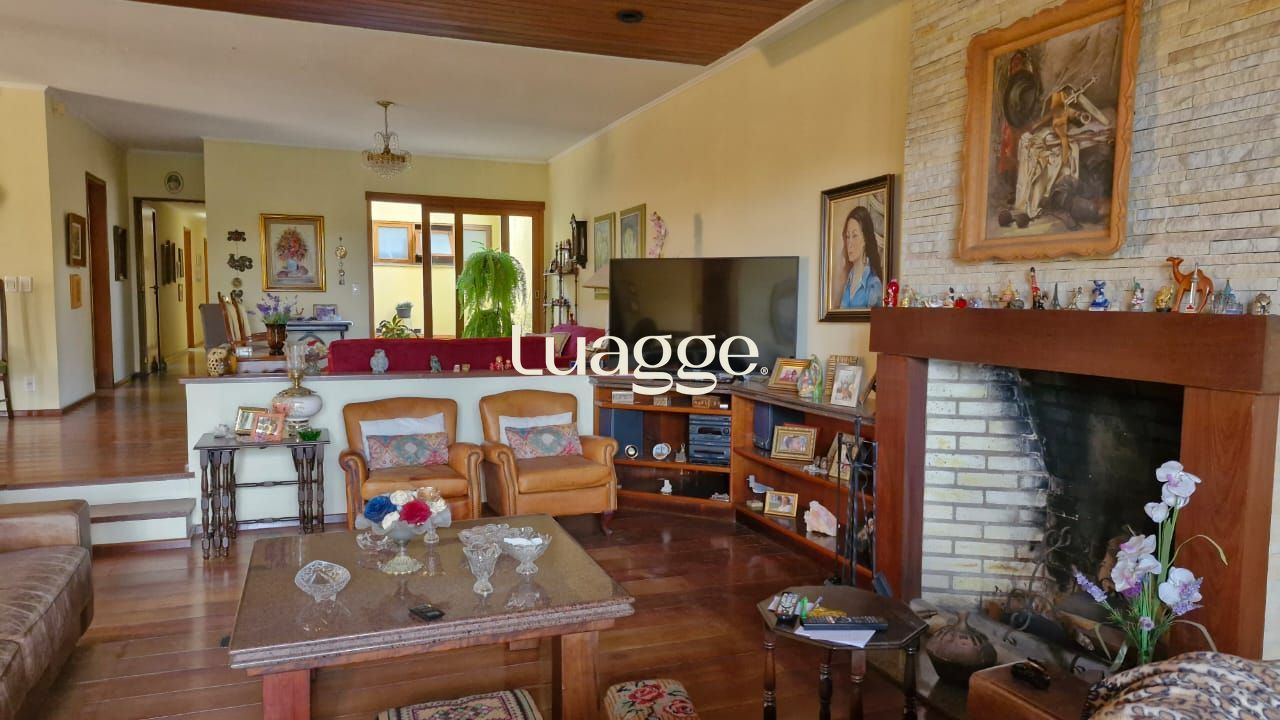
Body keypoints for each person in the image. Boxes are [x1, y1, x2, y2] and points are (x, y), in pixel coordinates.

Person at [838, 205, 884, 309]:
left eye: (854, 236)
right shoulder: (848, 281)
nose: (849, 243)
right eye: (847, 236)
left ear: (865, 240)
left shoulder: (873, 284)